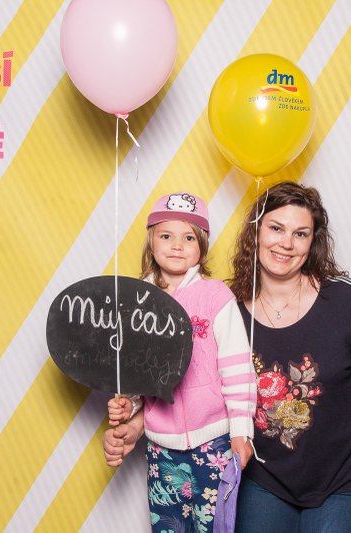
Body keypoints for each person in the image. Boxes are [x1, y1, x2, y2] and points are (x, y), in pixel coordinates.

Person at [229, 181, 351, 532]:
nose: (286, 243)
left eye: (300, 233)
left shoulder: (348, 301)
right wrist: (135, 422)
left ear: (313, 242)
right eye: (276, 228)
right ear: (256, 232)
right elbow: (197, 390)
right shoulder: (227, 310)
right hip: (264, 480)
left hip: (346, 480)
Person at [103, 192, 257, 533]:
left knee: (216, 527)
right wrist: (128, 404)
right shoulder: (137, 301)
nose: (177, 245)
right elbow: (136, 369)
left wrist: (241, 432)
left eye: (188, 237)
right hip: (161, 447)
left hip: (215, 443)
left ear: (201, 245)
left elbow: (237, 370)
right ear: (151, 241)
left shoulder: (216, 296)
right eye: (166, 235)